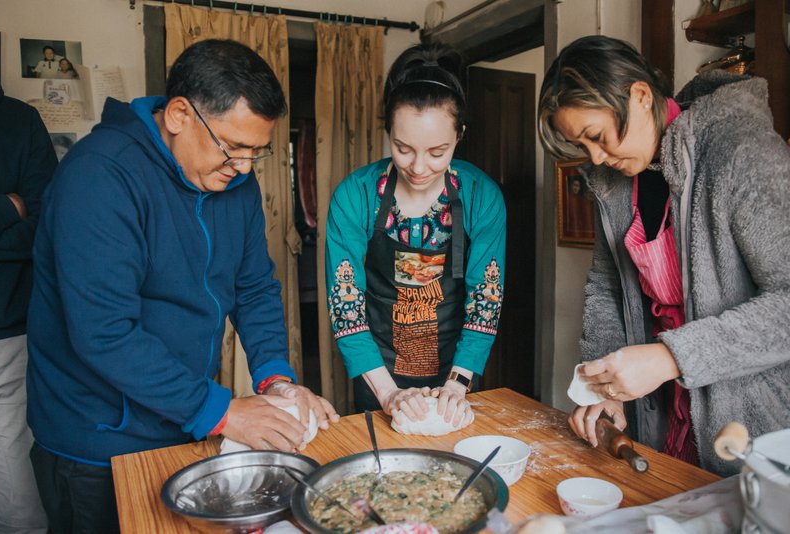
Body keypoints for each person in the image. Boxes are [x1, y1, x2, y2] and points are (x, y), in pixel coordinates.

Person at [26, 39, 338, 532]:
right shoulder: (97, 177)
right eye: (232, 148)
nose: (242, 167)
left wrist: (276, 379)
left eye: (256, 152)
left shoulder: (235, 183)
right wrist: (223, 412)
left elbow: (254, 286)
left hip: (184, 422)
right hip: (98, 443)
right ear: (178, 115)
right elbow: (105, 332)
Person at [538, 35, 790, 476]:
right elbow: (607, 286)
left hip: (751, 418)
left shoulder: (738, 148)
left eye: (597, 136)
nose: (596, 157)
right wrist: (605, 390)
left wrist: (671, 358)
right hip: (663, 411)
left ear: (639, 95)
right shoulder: (616, 181)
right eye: (584, 146)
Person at [325, 43, 506, 426]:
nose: (419, 167)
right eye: (402, 148)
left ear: (460, 135)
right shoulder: (355, 196)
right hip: (378, 363)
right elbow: (346, 306)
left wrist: (457, 385)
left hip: (456, 359)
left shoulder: (480, 195)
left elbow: (485, 298)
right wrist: (388, 392)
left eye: (437, 151)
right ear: (388, 131)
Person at [0, 72, 54, 533]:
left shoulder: (21, 120)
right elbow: (24, 215)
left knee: (20, 503)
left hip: (9, 330)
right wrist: (4, 209)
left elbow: (44, 223)